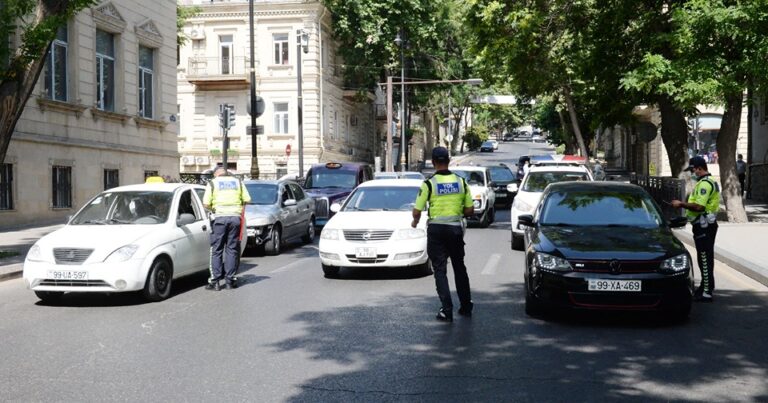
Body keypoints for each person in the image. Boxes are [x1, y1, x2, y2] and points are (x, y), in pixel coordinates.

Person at [411, 146, 475, 322]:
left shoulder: (429, 184)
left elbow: (417, 211)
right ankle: (466, 306)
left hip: (436, 231)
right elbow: (470, 210)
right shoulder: (461, 182)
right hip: (455, 230)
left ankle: (446, 310)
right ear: (449, 160)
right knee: (459, 267)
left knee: (440, 269)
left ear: (433, 162)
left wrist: (415, 222)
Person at [671, 156, 720, 302]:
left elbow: (699, 206)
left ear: (699, 168)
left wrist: (681, 204)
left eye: (693, 170)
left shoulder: (705, 185)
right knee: (704, 257)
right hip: (703, 225)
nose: (692, 173)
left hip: (704, 226)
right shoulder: (705, 182)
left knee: (704, 258)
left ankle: (706, 292)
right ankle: (705, 286)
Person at [202, 167, 251, 290]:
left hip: (219, 218)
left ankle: (215, 281)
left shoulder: (212, 183)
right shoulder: (238, 182)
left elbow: (206, 203)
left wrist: (215, 208)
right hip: (235, 218)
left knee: (216, 250)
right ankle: (230, 280)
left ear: (216, 175)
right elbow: (247, 199)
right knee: (232, 249)